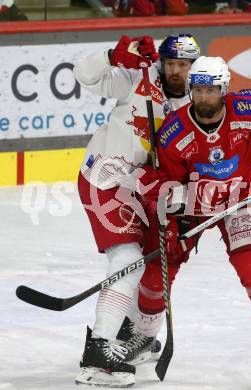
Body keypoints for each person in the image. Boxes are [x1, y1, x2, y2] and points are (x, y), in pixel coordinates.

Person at [132, 56, 251, 383]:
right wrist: (171, 220)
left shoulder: (245, 108)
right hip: (192, 201)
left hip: (240, 198)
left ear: (223, 90)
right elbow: (167, 183)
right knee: (159, 266)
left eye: (211, 90)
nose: (204, 97)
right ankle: (143, 336)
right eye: (198, 89)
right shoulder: (175, 131)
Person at [73, 33, 200, 387]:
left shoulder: (195, 103)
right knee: (127, 260)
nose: (176, 71)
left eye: (184, 65)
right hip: (105, 179)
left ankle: (127, 333)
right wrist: (113, 54)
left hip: (146, 190)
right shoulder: (139, 76)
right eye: (172, 63)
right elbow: (83, 75)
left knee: (148, 263)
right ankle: (98, 352)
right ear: (163, 61)